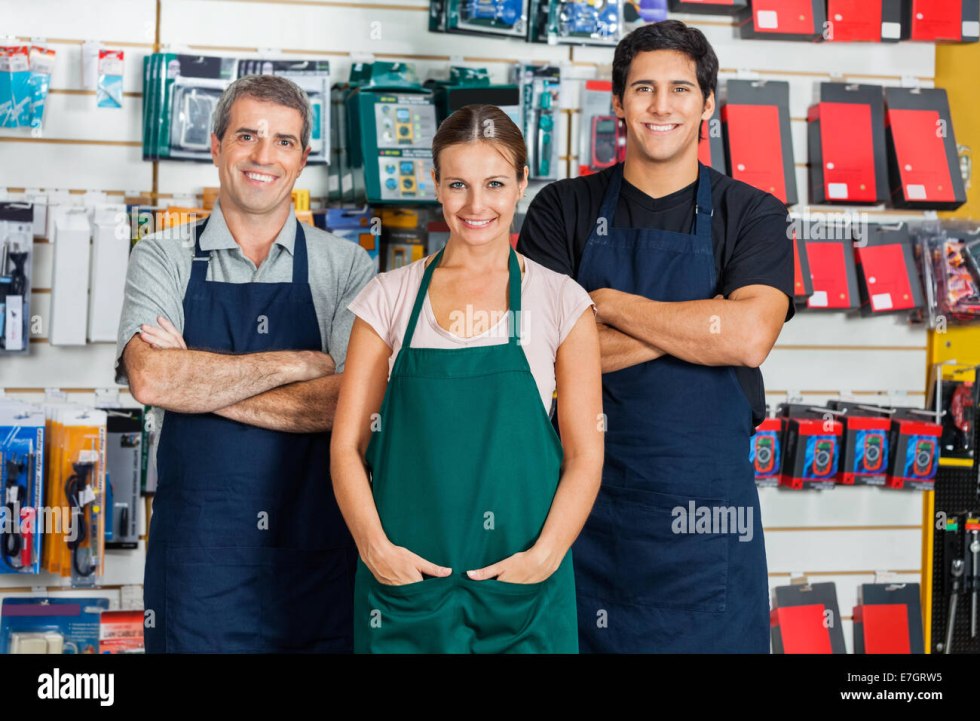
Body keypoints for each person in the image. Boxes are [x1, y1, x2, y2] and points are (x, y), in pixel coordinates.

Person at [518, 20, 794, 653]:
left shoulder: (752, 212)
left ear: (708, 105)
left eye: (679, 89)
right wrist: (701, 320)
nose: (661, 106)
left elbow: (749, 336)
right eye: (643, 88)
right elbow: (540, 359)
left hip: (706, 533)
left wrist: (608, 307)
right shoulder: (563, 208)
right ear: (618, 101)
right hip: (579, 514)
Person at [331, 104, 604, 653]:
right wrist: (374, 547)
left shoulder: (561, 301)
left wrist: (546, 556)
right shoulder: (388, 298)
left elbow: (585, 455)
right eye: (458, 184)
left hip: (521, 596)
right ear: (434, 183)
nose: (476, 205)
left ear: (523, 183)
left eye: (496, 184)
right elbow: (346, 447)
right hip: (407, 594)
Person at [117, 74, 375, 653]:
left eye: (284, 141)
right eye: (246, 136)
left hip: (315, 560)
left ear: (303, 157)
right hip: (197, 570)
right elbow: (152, 377)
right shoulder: (160, 255)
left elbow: (342, 404)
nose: (264, 156)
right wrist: (301, 363)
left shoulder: (346, 266)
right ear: (215, 145)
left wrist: (199, 384)